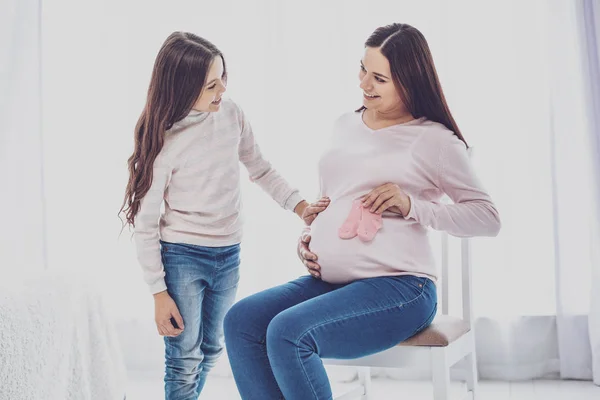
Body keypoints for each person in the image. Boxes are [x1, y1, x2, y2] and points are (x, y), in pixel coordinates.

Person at [224, 23, 501, 400]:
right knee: (241, 321)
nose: (363, 83)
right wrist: (309, 239)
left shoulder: (435, 140)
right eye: (362, 70)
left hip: (403, 287)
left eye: (379, 78)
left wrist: (412, 206)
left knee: (289, 332)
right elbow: (333, 199)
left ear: (409, 81)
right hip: (333, 284)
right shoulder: (345, 125)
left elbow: (487, 218)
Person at [118, 32, 327, 399]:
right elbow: (146, 225)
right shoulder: (165, 140)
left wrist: (299, 206)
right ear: (183, 89)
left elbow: (259, 168)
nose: (222, 90)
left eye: (223, 78)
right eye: (211, 85)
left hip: (228, 254)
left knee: (212, 349)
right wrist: (158, 293)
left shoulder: (231, 115)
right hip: (182, 255)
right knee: (183, 355)